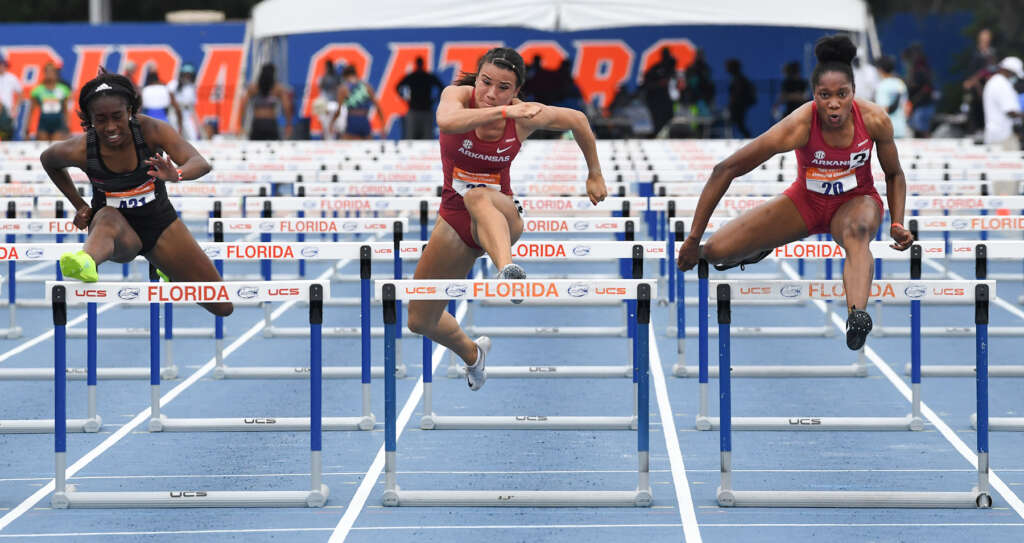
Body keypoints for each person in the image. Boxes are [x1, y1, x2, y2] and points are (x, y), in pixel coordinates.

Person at [676, 35, 913, 351]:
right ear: (814, 95)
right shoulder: (799, 125)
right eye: (824, 95)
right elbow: (726, 169)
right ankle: (760, 245)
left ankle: (858, 316)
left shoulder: (873, 120)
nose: (833, 103)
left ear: (853, 93)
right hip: (806, 202)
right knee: (717, 251)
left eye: (842, 94)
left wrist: (897, 221)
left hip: (856, 202)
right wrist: (693, 240)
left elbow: (895, 174)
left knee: (857, 233)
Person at [406, 47, 608, 391]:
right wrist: (500, 109)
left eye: (503, 88)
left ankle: (507, 270)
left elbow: (579, 121)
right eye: (486, 82)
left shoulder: (524, 117)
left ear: (516, 91)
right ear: (477, 76)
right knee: (419, 320)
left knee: (478, 195)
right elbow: (446, 121)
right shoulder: (456, 95)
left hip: (504, 215)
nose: (491, 93)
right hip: (455, 219)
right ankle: (473, 354)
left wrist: (595, 174)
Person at [39, 70, 232, 317]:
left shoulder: (152, 130)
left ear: (130, 111)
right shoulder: (80, 148)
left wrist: (177, 174)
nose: (110, 127)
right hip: (116, 234)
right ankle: (87, 260)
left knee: (222, 307)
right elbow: (48, 161)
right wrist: (80, 205)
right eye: (101, 119)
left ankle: (165, 264)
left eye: (117, 117)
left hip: (160, 224)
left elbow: (200, 162)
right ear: (89, 119)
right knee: (107, 215)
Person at [237, 63, 293, 140]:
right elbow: (287, 106)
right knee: (274, 147)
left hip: (258, 122)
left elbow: (243, 105)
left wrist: (241, 124)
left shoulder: (253, 88)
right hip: (271, 122)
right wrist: (288, 124)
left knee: (254, 148)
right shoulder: (278, 89)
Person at [330, 65, 384, 139]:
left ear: (345, 76)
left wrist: (331, 123)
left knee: (346, 148)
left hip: (352, 120)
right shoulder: (367, 87)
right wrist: (383, 126)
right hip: (364, 120)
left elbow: (338, 111)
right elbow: (378, 107)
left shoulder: (343, 88)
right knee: (368, 148)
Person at [396, 56, 444, 139]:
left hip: (425, 111)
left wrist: (435, 99)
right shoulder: (413, 77)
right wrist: (405, 99)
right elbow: (398, 86)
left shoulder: (427, 76)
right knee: (411, 137)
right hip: (415, 110)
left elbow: (441, 87)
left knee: (427, 138)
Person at [982, 56, 1022, 152]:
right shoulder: (1002, 85)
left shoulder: (994, 82)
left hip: (996, 134)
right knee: (1012, 164)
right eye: (1015, 74)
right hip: (1003, 136)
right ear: (1008, 71)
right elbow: (1010, 112)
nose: (1015, 78)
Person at [29, 63, 71, 142]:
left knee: (56, 148)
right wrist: (28, 129)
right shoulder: (37, 90)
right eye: (47, 72)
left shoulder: (63, 89)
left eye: (52, 72)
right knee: (42, 148)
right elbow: (31, 111)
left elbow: (66, 110)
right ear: (44, 73)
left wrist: (68, 127)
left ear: (56, 74)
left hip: (58, 123)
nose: (49, 74)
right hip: (43, 123)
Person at [641, 47, 677, 138]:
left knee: (670, 120)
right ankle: (656, 136)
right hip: (656, 100)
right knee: (657, 121)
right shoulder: (656, 69)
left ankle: (668, 136)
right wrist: (659, 83)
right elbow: (646, 84)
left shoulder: (671, 69)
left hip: (667, 100)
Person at [874, 55, 909, 138]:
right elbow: (907, 107)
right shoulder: (900, 84)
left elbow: (883, 110)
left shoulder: (882, 86)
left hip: (887, 130)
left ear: (880, 70)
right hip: (901, 128)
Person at [168, 63, 200, 140]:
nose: (187, 76)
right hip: (175, 113)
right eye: (185, 74)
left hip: (187, 113)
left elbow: (192, 104)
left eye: (189, 75)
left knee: (192, 135)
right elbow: (170, 95)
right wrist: (177, 109)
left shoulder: (191, 86)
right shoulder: (174, 83)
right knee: (175, 135)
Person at [725, 58, 756, 138]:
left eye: (728, 67)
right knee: (738, 124)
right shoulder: (737, 79)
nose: (726, 69)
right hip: (738, 106)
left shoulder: (739, 79)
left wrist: (732, 104)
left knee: (738, 124)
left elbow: (737, 94)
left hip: (738, 107)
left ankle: (747, 139)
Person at [0, 56, 24, 140]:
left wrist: (16, 107)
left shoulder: (11, 78)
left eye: (2, 64)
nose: (1, 67)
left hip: (7, 111)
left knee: (6, 134)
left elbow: (20, 93)